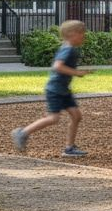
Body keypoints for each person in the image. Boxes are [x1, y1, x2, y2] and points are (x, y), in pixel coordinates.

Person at [12, 20, 90, 157]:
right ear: (72, 34)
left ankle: (69, 148)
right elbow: (58, 66)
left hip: (64, 90)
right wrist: (76, 73)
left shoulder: (70, 48)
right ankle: (22, 133)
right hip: (55, 90)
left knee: (76, 116)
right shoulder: (68, 49)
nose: (84, 37)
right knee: (53, 118)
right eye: (82, 34)